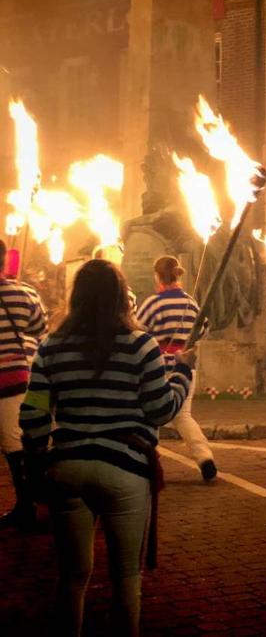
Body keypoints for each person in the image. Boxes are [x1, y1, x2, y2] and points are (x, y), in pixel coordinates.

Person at [19, 259, 194, 636]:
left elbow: (32, 414)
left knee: (71, 577)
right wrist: (181, 373)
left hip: (68, 467)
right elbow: (161, 410)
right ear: (121, 297)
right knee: (125, 578)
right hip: (125, 468)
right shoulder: (141, 345)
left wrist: (36, 461)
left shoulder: (50, 347)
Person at [136, 256, 217, 481]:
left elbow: (137, 330)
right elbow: (205, 329)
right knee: (183, 415)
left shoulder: (153, 303)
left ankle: (148, 464)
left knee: (149, 415)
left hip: (158, 367)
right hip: (186, 367)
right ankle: (205, 458)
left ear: (158, 276)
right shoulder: (191, 303)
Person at [0, 239, 48, 529]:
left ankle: (27, 504)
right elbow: (39, 330)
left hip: (9, 379)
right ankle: (28, 502)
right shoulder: (24, 293)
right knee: (17, 439)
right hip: (20, 377)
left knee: (12, 441)